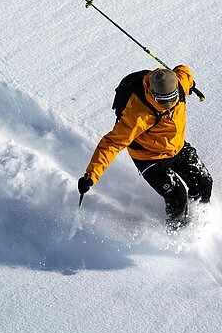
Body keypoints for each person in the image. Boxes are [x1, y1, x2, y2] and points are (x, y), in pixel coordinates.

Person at [77, 65, 212, 231]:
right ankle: (178, 231)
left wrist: (191, 84)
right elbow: (111, 143)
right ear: (153, 94)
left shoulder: (180, 84)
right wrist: (91, 175)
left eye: (172, 99)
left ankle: (200, 219)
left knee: (204, 182)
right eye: (162, 101)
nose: (168, 105)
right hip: (150, 158)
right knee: (177, 195)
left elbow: (184, 70)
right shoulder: (139, 115)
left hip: (176, 147)